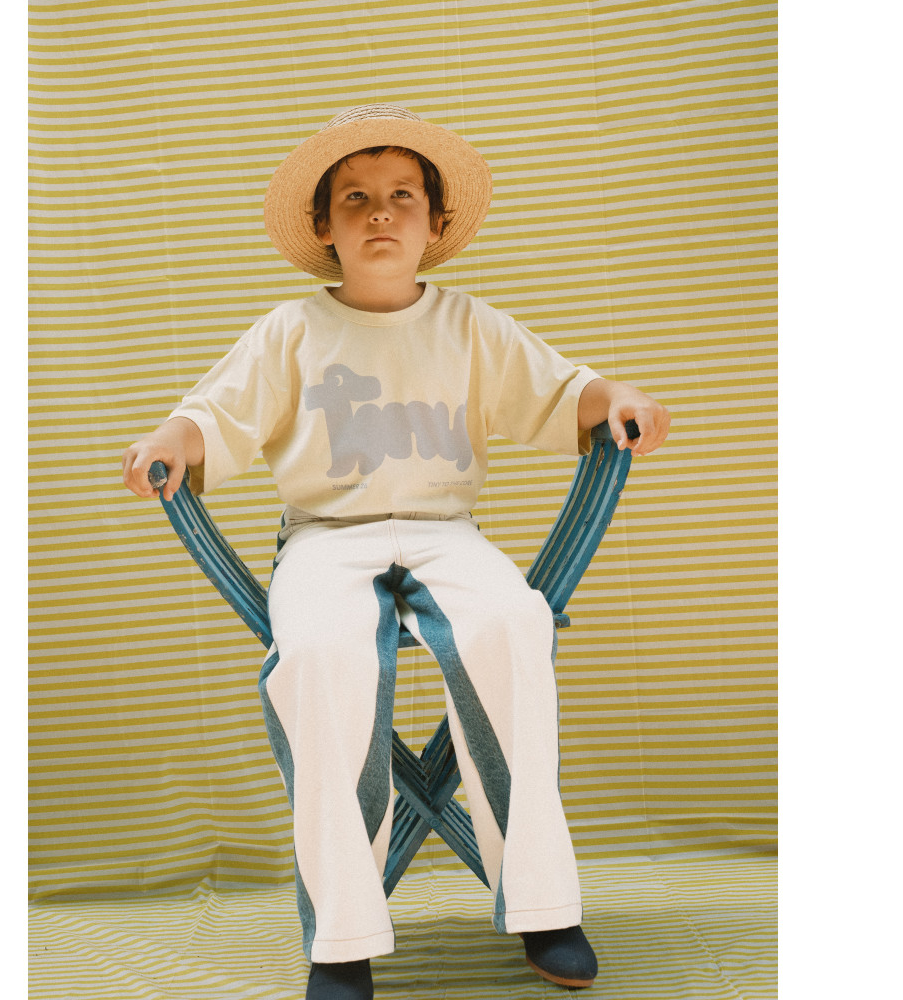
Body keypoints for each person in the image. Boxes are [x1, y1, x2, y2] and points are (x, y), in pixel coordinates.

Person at [122, 104, 670, 1000]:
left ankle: (543, 902)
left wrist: (619, 399)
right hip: (325, 537)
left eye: (402, 195)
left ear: (435, 222)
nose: (380, 211)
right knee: (317, 658)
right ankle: (342, 934)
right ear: (324, 227)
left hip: (447, 530)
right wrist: (167, 442)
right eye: (356, 198)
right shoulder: (291, 331)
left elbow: (564, 389)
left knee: (514, 626)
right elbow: (213, 415)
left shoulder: (471, 325)